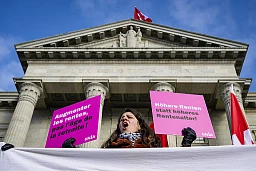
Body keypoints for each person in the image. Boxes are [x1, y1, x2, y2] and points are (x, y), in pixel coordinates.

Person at [62, 108, 197, 148]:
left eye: (129, 117)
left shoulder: (154, 145)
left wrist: (186, 145)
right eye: (122, 119)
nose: (124, 119)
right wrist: (73, 153)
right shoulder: (108, 148)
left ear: (139, 124)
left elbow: (173, 167)